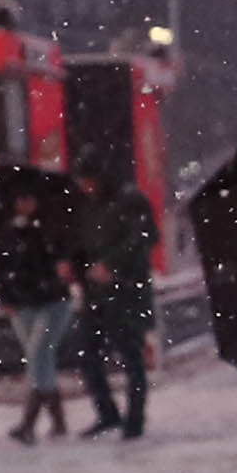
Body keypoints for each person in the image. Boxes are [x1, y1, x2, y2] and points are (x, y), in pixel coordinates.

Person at [0, 172, 84, 442]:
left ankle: (29, 423)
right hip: (23, 302)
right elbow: (0, 269)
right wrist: (5, 297)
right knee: (41, 359)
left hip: (51, 301)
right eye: (20, 199)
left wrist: (62, 268)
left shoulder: (51, 228)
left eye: (29, 198)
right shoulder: (6, 232)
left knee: (38, 356)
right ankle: (58, 421)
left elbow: (64, 255)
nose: (25, 204)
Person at [73, 174, 161, 440]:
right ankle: (108, 413)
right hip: (97, 296)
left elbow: (144, 239)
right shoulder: (90, 208)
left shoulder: (129, 202)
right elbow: (85, 247)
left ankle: (134, 419)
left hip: (125, 293)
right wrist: (77, 267)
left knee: (131, 358)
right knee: (88, 355)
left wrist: (112, 265)